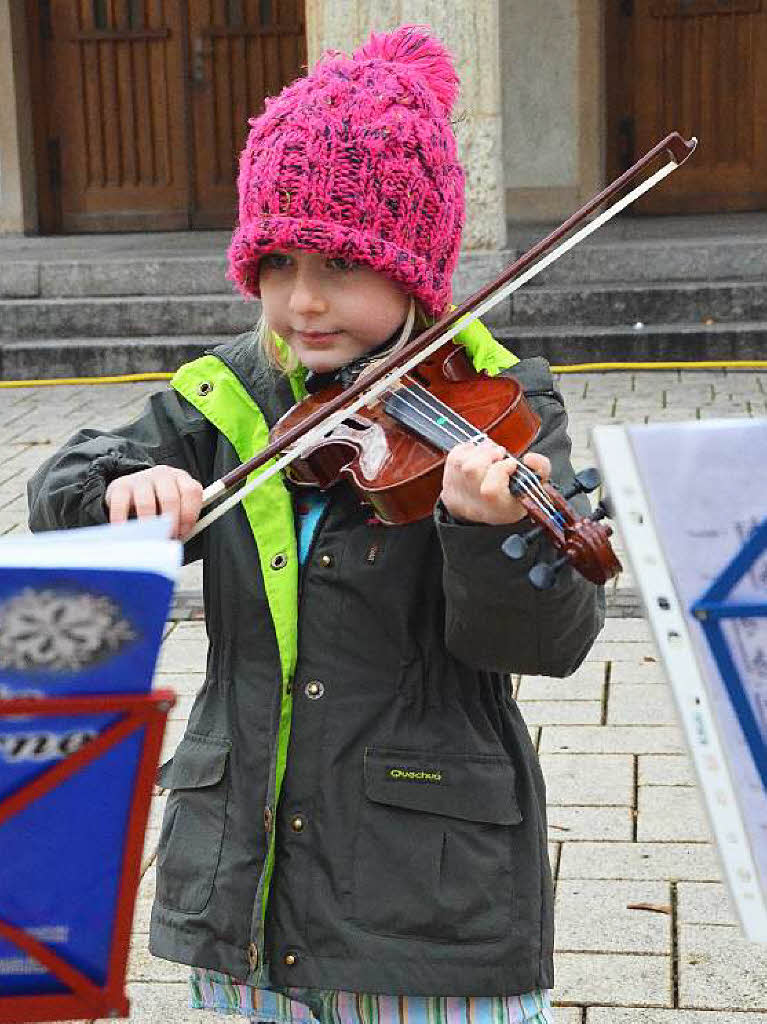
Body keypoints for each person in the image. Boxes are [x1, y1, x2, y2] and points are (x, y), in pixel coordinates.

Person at [27, 24, 605, 1024]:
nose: (301, 301)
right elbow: (62, 490)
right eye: (278, 261)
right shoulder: (228, 395)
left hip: (427, 898)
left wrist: (481, 531)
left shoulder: (503, 403)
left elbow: (542, 643)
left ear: (415, 267)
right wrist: (127, 484)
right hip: (243, 873)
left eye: (340, 263)